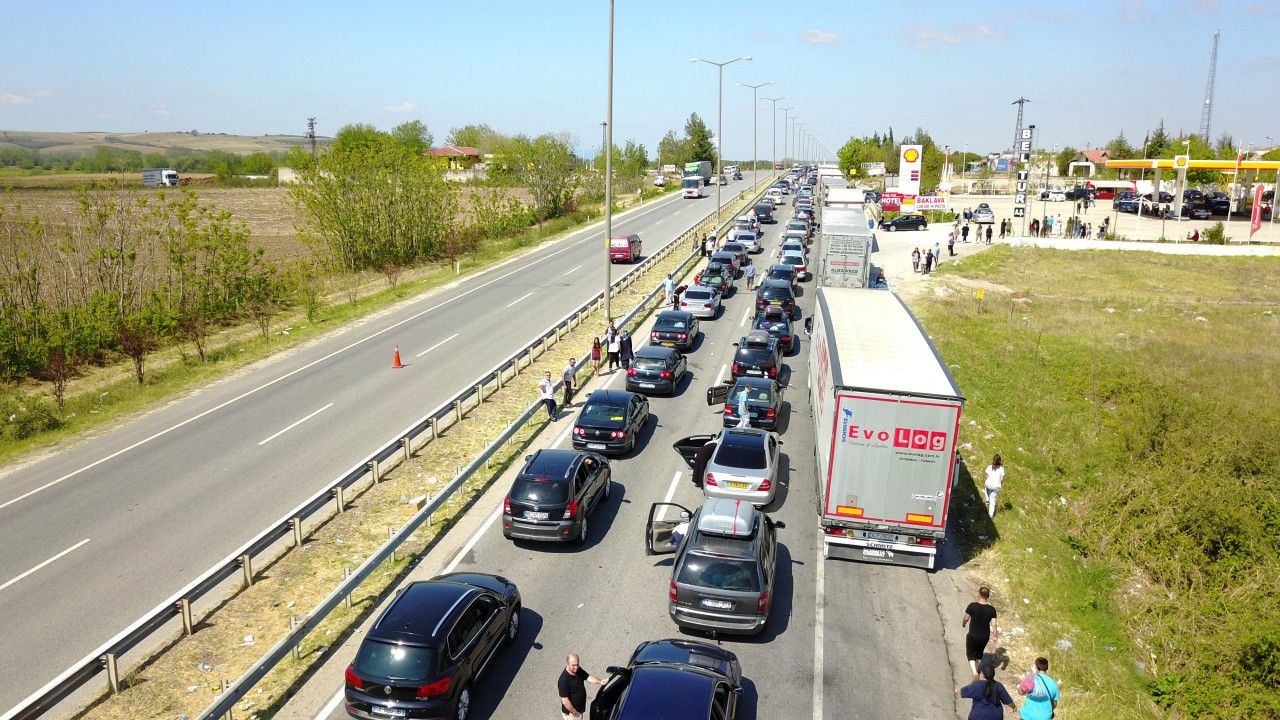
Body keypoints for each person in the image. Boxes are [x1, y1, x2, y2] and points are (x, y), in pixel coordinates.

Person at [962, 586, 1000, 677]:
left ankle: (974, 672)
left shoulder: (972, 606)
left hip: (973, 635)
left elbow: (966, 618)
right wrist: (995, 636)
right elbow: (994, 624)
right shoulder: (992, 609)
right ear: (988, 596)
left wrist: (963, 623)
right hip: (984, 636)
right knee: (979, 654)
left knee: (970, 654)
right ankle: (978, 669)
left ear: (979, 594)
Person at [558, 653, 605, 720]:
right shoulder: (563, 680)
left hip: (579, 710)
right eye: (573, 665)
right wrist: (575, 713)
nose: (576, 667)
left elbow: (588, 677)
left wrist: (600, 681)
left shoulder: (577, 670)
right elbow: (565, 701)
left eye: (577, 664)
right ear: (567, 664)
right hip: (572, 713)